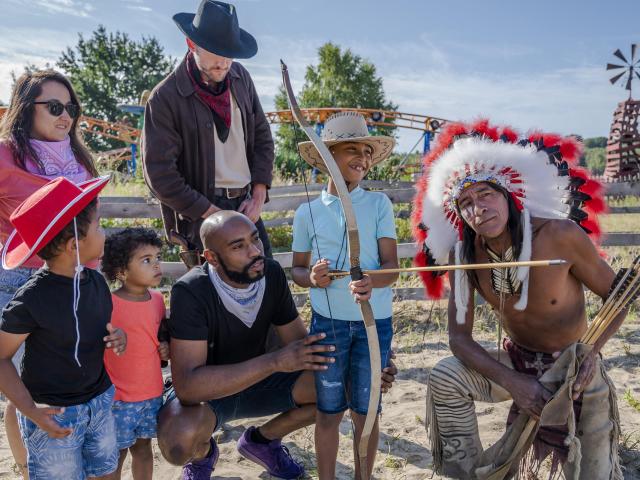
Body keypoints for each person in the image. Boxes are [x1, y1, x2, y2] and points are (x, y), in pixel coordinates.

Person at [411, 119, 624, 479]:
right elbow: (458, 338)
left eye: (486, 195)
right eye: (465, 202)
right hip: (515, 362)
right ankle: (465, 472)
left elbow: (618, 298)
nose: (477, 209)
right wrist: (514, 383)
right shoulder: (466, 255)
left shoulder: (559, 235)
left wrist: (591, 354)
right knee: (445, 376)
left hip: (574, 367)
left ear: (507, 194)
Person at [156, 210, 398, 479]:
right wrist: (274, 361)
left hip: (265, 382)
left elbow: (300, 345)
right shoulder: (190, 291)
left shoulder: (269, 273)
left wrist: (370, 368)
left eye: (255, 239)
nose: (254, 251)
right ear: (211, 257)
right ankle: (203, 456)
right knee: (178, 442)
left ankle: (262, 441)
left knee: (344, 388)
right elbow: (189, 388)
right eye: (238, 246)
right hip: (210, 395)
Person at [0, 69, 98, 478]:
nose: (66, 117)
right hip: (22, 283)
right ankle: (28, 469)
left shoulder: (79, 158)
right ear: (27, 109)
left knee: (61, 382)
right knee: (30, 388)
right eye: (54, 107)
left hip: (76, 284)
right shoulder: (5, 154)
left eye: (71, 108)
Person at [290, 111, 398, 479]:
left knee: (366, 413)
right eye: (353, 149)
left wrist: (371, 281)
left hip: (373, 324)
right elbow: (298, 270)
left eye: (368, 152)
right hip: (328, 326)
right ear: (326, 157)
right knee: (328, 411)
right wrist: (313, 278)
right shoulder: (307, 212)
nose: (363, 159)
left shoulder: (379, 203)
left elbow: (392, 267)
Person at [0, 176, 127, 480]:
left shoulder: (96, 282)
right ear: (74, 245)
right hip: (53, 415)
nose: (104, 232)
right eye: (98, 226)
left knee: (108, 471)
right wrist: (30, 410)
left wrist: (117, 337)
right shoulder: (31, 298)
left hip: (99, 401)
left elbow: (97, 332)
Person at [142, 0, 275, 262]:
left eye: (230, 53)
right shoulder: (164, 98)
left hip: (246, 205)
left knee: (267, 284)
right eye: (216, 52)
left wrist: (259, 192)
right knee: (215, 298)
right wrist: (210, 212)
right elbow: (160, 174)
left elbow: (262, 137)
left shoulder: (241, 78)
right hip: (202, 213)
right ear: (192, 45)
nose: (224, 63)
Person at [101, 228, 170, 480]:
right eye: (146, 260)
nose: (156, 265)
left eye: (157, 257)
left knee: (143, 449)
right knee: (116, 454)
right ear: (121, 271)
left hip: (152, 393)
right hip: (118, 398)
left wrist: (166, 347)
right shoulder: (107, 303)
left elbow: (160, 337)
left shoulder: (158, 299)